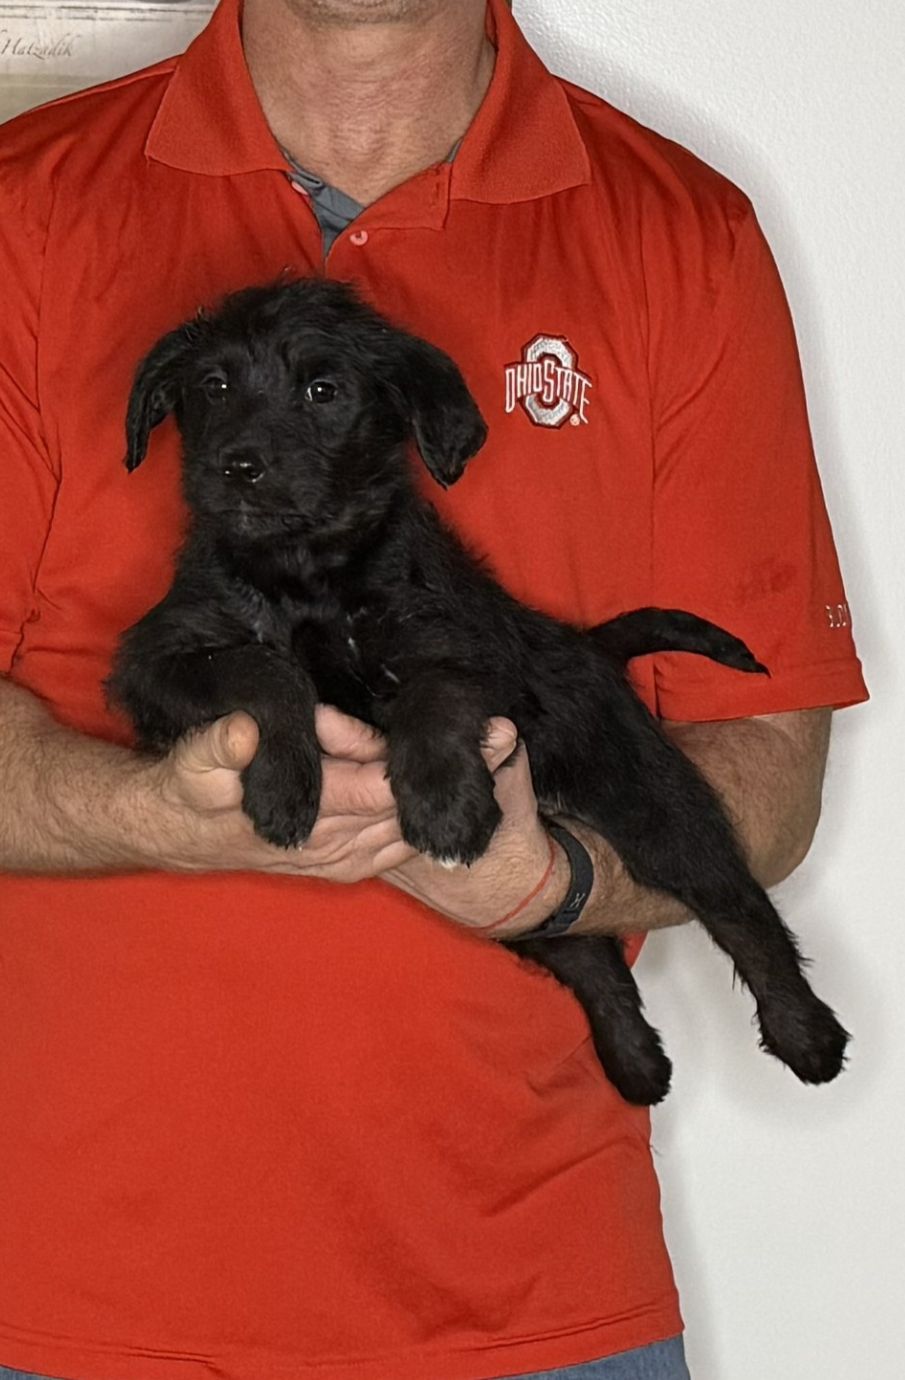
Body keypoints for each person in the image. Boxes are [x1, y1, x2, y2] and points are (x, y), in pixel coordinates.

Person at [0, 0, 867, 1377]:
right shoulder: (24, 206)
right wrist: (144, 810)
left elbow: (757, 761)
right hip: (64, 1296)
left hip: (527, 1300)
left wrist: (554, 888)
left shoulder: (677, 235)